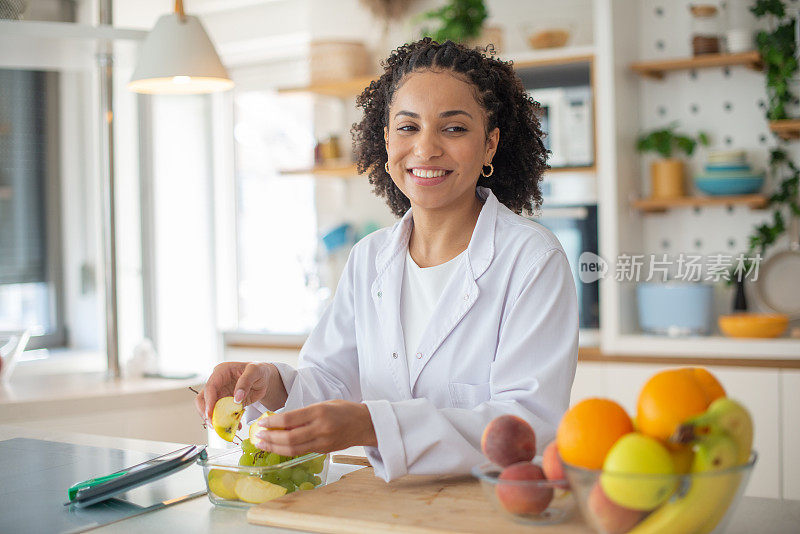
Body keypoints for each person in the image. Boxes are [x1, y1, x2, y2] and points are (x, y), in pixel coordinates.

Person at [196, 38, 578, 482]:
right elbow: (330, 380)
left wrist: (371, 424)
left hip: (487, 508)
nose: (426, 148)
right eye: (408, 127)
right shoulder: (369, 258)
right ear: (386, 139)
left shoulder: (531, 259)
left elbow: (528, 424)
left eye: (453, 128)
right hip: (387, 506)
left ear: (489, 145)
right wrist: (267, 381)